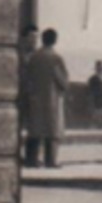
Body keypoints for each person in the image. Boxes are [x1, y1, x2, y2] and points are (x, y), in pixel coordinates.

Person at [21, 28, 69, 168]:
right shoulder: (56, 58)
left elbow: (27, 77)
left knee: (34, 130)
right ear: (54, 40)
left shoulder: (33, 57)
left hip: (34, 98)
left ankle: (31, 160)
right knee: (52, 130)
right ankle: (50, 161)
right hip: (51, 99)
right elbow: (62, 81)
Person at [16, 24, 39, 161]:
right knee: (17, 126)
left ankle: (32, 157)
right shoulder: (18, 54)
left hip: (33, 95)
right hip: (20, 94)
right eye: (32, 37)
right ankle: (16, 154)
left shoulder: (37, 54)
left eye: (36, 37)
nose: (35, 40)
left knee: (34, 127)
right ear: (24, 38)